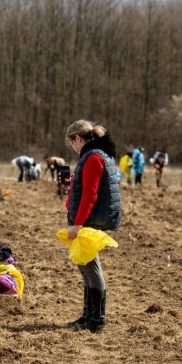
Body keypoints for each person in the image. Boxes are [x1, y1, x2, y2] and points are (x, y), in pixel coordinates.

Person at [64, 119, 122, 333]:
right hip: (92, 217)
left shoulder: (93, 157)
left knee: (90, 267)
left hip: (91, 219)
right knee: (86, 265)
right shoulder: (95, 155)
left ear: (78, 138)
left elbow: (90, 194)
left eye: (73, 143)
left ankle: (97, 320)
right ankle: (89, 316)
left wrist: (78, 224)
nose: (73, 147)